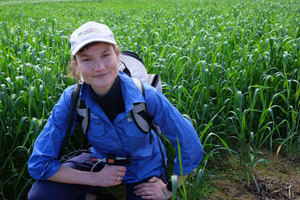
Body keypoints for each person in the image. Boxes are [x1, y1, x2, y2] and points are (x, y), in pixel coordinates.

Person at [27, 21, 203, 200]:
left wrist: (169, 189)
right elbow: (39, 164)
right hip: (100, 162)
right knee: (41, 195)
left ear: (117, 55)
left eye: (105, 55)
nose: (99, 67)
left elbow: (191, 147)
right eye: (87, 59)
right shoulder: (73, 99)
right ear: (76, 65)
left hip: (145, 168)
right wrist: (96, 178)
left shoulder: (146, 96)